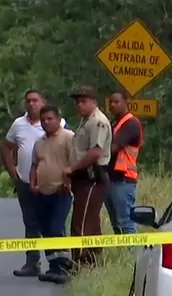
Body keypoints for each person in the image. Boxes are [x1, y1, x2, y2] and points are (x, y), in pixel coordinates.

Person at [0, 89, 69, 278]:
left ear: (43, 102)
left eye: (35, 100)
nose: (31, 104)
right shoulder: (19, 124)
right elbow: (5, 147)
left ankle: (60, 265)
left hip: (54, 186)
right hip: (26, 182)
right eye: (28, 100)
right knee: (31, 223)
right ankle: (32, 263)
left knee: (55, 225)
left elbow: (71, 154)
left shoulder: (60, 126)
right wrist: (13, 173)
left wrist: (68, 179)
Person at [52, 85, 112, 284]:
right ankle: (91, 263)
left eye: (83, 101)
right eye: (77, 102)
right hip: (83, 178)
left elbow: (95, 152)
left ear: (94, 102)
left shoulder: (97, 121)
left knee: (82, 221)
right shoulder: (85, 122)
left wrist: (72, 168)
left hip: (93, 176)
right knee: (89, 220)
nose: (79, 105)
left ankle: (81, 264)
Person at [30, 105, 76, 284]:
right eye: (43, 120)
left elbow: (75, 163)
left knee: (57, 228)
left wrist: (69, 182)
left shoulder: (68, 137)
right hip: (42, 192)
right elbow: (34, 165)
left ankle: (64, 266)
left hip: (61, 191)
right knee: (46, 231)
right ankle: (53, 266)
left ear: (58, 119)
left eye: (50, 119)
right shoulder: (39, 142)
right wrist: (33, 184)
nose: (46, 122)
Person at [104, 90, 142, 236]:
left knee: (126, 221)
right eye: (110, 102)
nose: (113, 105)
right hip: (111, 178)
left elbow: (113, 147)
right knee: (116, 223)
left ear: (126, 102)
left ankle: (134, 251)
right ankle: (124, 250)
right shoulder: (114, 123)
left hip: (124, 178)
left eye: (116, 102)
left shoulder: (131, 123)